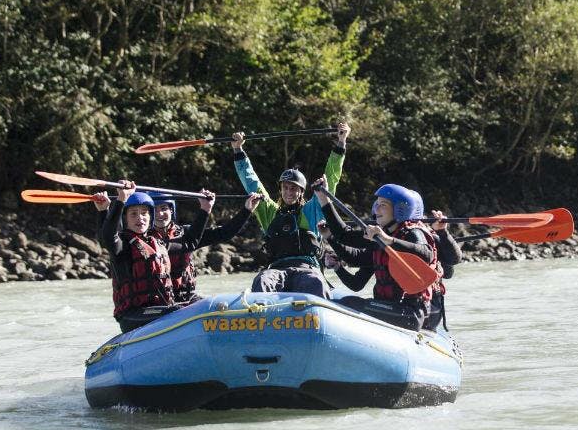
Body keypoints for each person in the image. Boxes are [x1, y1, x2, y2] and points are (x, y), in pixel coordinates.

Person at [230, 122, 350, 297]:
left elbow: (331, 179)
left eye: (293, 188)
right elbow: (251, 181)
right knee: (262, 280)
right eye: (285, 188)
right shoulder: (269, 212)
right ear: (281, 189)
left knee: (315, 282)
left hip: (307, 268)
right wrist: (238, 150)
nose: (289, 192)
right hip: (277, 269)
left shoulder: (311, 210)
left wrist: (341, 142)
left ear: (301, 191)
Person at [314, 177, 442, 331]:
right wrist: (324, 200)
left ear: (399, 209)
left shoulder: (412, 233)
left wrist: (389, 240)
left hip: (409, 313)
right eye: (377, 204)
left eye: (383, 205)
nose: (377, 209)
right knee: (346, 302)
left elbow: (426, 253)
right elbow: (345, 236)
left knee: (348, 304)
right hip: (391, 308)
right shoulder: (381, 235)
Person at [97, 180, 214, 333]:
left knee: (207, 306)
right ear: (125, 219)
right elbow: (107, 236)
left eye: (144, 213)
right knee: (178, 312)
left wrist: (205, 209)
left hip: (161, 309)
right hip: (132, 315)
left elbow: (190, 242)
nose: (140, 218)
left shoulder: (158, 243)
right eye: (134, 214)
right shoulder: (122, 246)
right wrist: (119, 202)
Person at [151, 193, 264, 303]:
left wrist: (247, 210)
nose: (160, 214)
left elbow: (225, 233)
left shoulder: (187, 234)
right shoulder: (144, 239)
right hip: (158, 301)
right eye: (155, 210)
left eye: (164, 208)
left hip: (186, 298)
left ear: (171, 210)